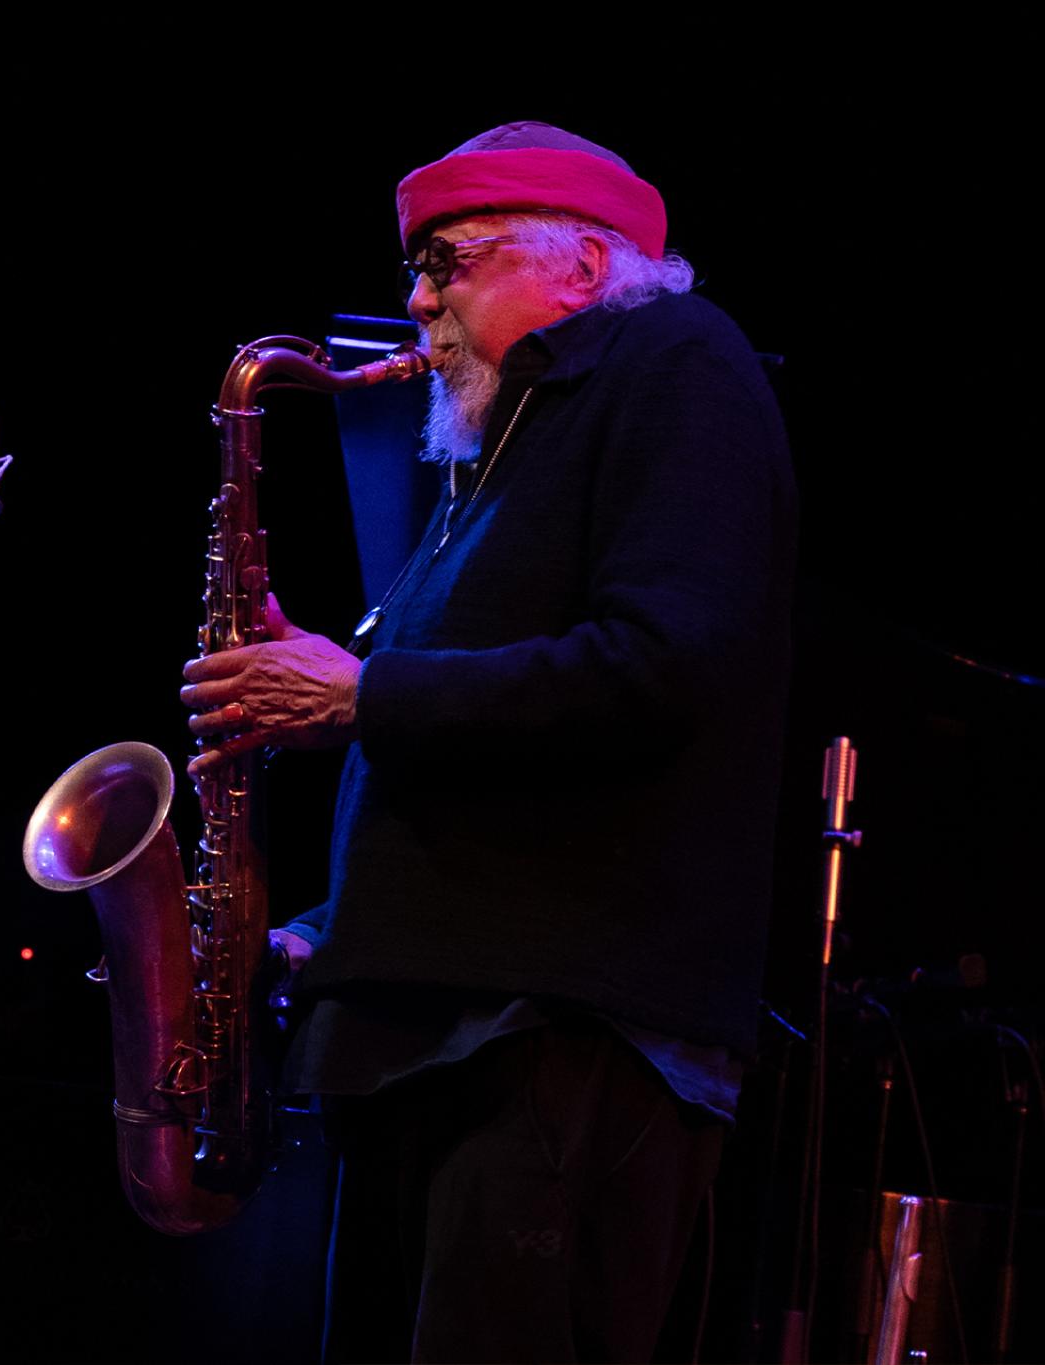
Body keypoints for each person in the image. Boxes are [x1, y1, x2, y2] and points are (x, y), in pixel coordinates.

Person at [178, 122, 794, 1362]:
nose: (417, 302)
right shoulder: (502, 445)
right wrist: (320, 928)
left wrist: (362, 696)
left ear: (582, 265)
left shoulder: (677, 363)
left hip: (560, 1032)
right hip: (439, 1031)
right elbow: (479, 754)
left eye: (445, 263)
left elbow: (660, 671)